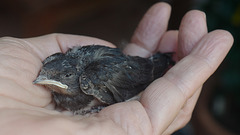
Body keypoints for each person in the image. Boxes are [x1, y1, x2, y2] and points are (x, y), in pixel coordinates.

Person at [0, 2, 233, 135]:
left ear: (77, 77)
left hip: (137, 67)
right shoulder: (57, 65)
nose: (44, 79)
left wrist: (155, 65)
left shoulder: (91, 80)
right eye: (46, 76)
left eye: (65, 77)